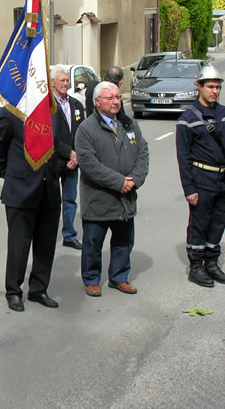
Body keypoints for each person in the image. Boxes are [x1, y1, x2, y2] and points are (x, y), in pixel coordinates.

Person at [175, 65, 225, 287]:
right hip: (201, 178)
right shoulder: (187, 119)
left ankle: (212, 263)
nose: (214, 91)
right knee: (199, 224)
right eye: (210, 86)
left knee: (218, 222)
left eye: (217, 87)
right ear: (199, 87)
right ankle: (196, 266)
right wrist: (189, 189)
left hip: (222, 179)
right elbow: (183, 158)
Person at [76, 81, 149, 297]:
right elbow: (89, 164)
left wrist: (134, 179)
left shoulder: (129, 125)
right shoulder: (86, 129)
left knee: (124, 241)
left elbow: (143, 154)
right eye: (110, 98)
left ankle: (119, 277)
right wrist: (119, 182)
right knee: (93, 243)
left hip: (126, 199)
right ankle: (91, 279)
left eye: (117, 97)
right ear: (97, 102)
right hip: (98, 199)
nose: (116, 101)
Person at [0, 101, 64, 311]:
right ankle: (13, 291)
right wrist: (8, 172)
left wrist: (53, 172)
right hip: (20, 189)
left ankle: (39, 289)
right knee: (19, 245)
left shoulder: (53, 109)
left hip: (48, 186)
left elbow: (59, 143)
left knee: (46, 243)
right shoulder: (11, 110)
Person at [51, 65, 85, 250]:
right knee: (52, 201)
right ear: (53, 83)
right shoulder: (48, 107)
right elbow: (50, 136)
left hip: (73, 163)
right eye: (62, 80)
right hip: (56, 161)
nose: (65, 83)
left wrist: (77, 155)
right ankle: (48, 234)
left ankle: (69, 235)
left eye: (67, 81)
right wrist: (68, 152)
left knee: (70, 200)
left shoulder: (76, 104)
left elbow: (82, 133)